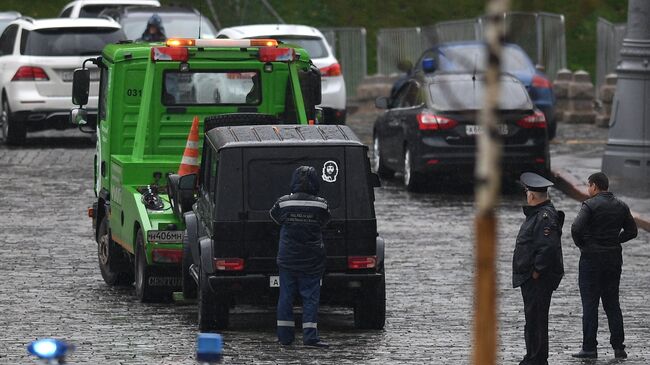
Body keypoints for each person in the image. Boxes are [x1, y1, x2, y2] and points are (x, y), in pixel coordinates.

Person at [570, 172, 638, 360]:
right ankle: (619, 347)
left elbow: (576, 228)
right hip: (613, 259)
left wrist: (583, 244)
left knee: (590, 304)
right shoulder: (621, 206)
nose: (587, 188)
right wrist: (616, 240)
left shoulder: (589, 205)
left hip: (591, 260)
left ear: (594, 186)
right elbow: (632, 231)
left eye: (588, 185)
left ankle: (589, 347)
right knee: (612, 303)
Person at [269, 166, 330, 348]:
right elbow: (325, 221)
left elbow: (274, 217)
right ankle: (310, 337)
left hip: (288, 258)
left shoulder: (283, 202)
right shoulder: (321, 204)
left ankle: (285, 338)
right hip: (311, 260)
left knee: (286, 297)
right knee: (310, 298)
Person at [513, 172, 565, 365]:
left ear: (532, 196)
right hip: (530, 277)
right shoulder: (539, 214)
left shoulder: (544, 216)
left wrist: (537, 270)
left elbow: (548, 247)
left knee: (537, 320)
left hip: (537, 278)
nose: (526, 195)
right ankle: (533, 356)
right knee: (533, 318)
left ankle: (537, 359)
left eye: (527, 192)